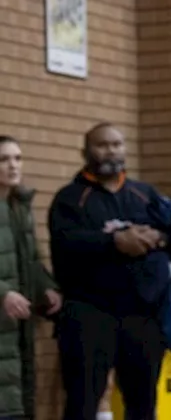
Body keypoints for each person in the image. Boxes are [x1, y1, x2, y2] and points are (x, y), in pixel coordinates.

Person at [48, 123, 171, 420]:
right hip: (90, 312)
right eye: (102, 145)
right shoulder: (70, 198)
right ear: (85, 152)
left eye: (116, 144)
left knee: (142, 404)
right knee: (82, 403)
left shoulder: (144, 193)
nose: (110, 151)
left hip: (141, 315)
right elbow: (66, 243)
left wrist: (159, 238)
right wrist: (114, 241)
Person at [0, 136, 61, 420]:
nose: (13, 165)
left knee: (17, 403)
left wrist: (47, 287)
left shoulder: (19, 207)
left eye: (17, 158)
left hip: (16, 328)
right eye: (4, 159)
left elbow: (32, 260)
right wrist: (3, 294)